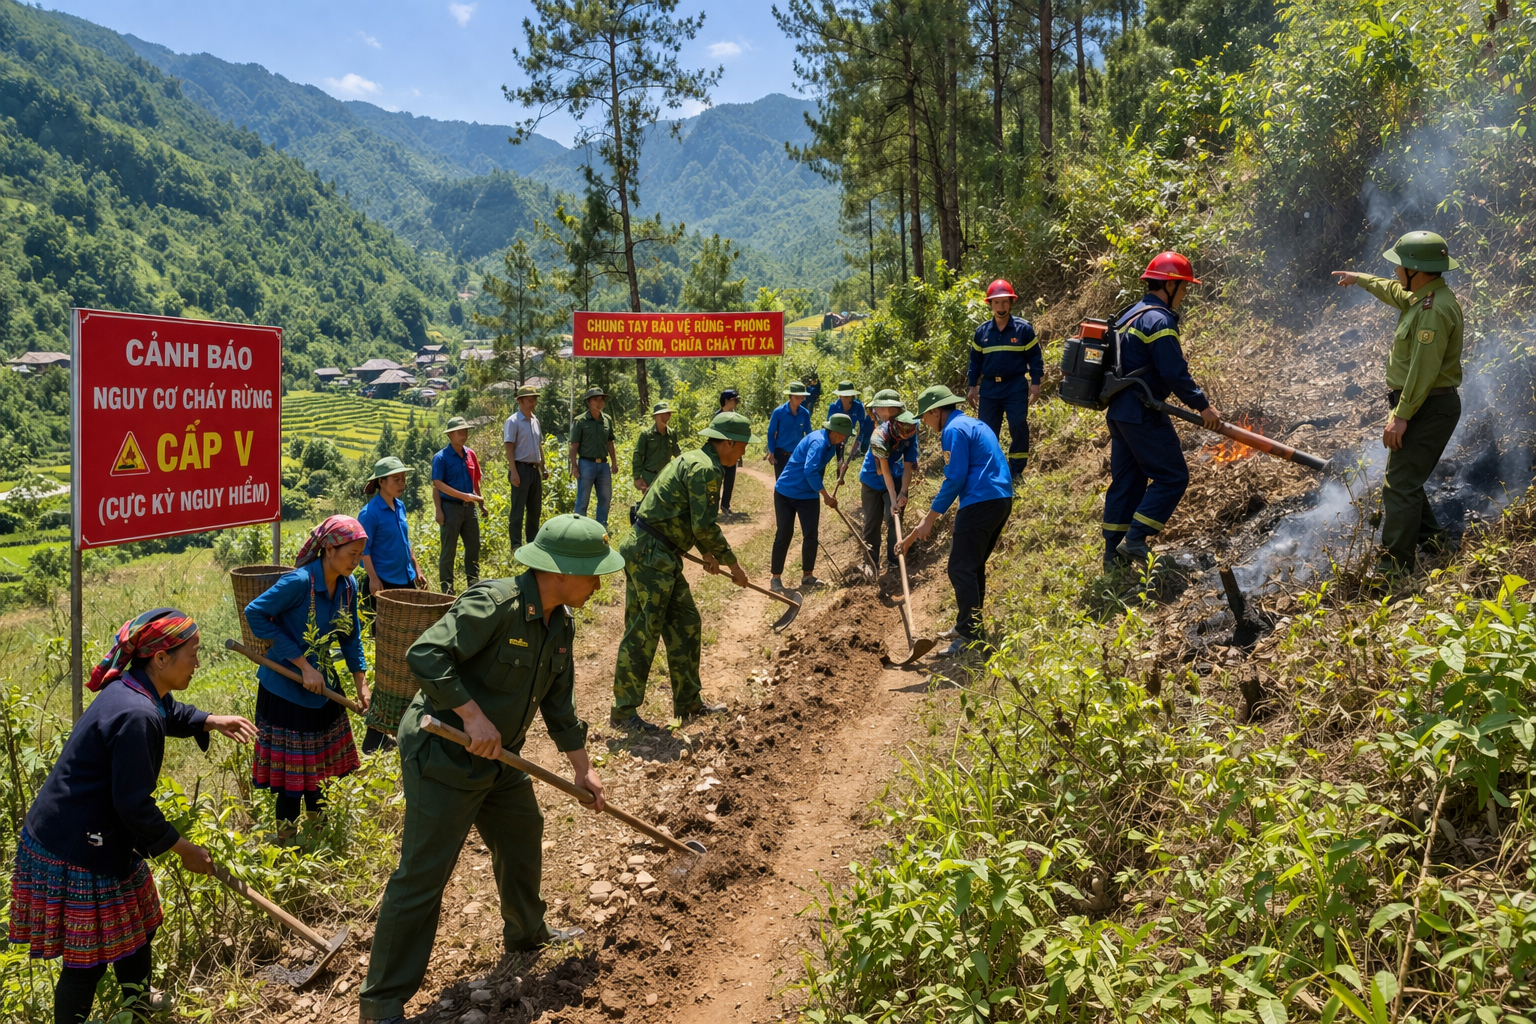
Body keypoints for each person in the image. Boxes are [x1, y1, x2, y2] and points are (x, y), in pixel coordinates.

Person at [358, 515, 620, 1024]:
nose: (598, 583)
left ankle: (526, 935)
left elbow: (560, 707)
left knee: (522, 833)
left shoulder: (560, 623)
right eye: (593, 573)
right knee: (422, 876)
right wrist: (472, 716)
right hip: (446, 751)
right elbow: (426, 653)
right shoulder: (495, 604)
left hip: (501, 757)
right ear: (563, 572)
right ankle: (382, 1003)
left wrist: (583, 769)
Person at [9, 609, 255, 1024]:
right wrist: (184, 849)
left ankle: (137, 1004)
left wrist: (210, 720)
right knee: (86, 960)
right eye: (192, 653)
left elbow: (169, 712)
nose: (198, 662)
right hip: (74, 844)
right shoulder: (136, 715)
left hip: (99, 832)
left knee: (139, 921)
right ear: (160, 658)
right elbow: (134, 806)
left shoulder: (134, 687)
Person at [612, 412, 755, 732]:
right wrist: (734, 564)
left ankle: (689, 701)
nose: (744, 452)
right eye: (743, 446)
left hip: (658, 552)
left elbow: (689, 515)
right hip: (651, 554)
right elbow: (704, 524)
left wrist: (705, 552)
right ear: (728, 442)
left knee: (686, 621)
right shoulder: (706, 469)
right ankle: (623, 711)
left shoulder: (696, 459)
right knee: (643, 631)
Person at [1333, 232, 1464, 576]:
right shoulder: (1421, 296)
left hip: (1428, 408)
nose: (1395, 271)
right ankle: (1436, 543)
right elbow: (1393, 292)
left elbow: (1423, 370)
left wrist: (1401, 416)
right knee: (1404, 480)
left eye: (1400, 265)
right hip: (1422, 404)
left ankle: (1394, 570)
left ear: (1416, 270)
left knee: (1400, 486)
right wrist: (1360, 279)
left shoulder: (1433, 310)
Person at [245, 516, 371, 838]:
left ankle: (319, 839)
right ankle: (286, 845)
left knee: (321, 772)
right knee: (292, 781)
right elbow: (255, 613)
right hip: (285, 688)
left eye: (360, 555)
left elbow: (351, 637)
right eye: (351, 554)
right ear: (329, 549)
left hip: (322, 686)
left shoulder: (347, 586)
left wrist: (362, 684)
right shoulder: (299, 582)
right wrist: (303, 665)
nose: (356, 563)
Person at [1101, 252, 1222, 567]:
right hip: (1142, 411)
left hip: (1119, 413)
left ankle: (1112, 558)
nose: (1185, 294)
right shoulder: (1159, 319)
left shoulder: (1130, 314)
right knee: (1173, 476)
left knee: (1127, 482)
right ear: (1170, 285)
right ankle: (1136, 539)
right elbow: (1173, 372)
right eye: (1184, 287)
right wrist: (1203, 406)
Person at [907, 386, 1014, 656]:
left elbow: (955, 477)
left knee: (959, 569)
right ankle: (969, 626)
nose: (925, 423)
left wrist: (930, 518)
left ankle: (969, 636)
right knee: (972, 566)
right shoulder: (974, 423)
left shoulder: (953, 430)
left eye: (926, 417)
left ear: (935, 411)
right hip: (1000, 498)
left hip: (980, 500)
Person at [358, 456, 426, 752]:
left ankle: (402, 724)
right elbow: (365, 550)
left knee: (410, 651)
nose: (401, 483)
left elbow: (405, 542)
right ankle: (376, 736)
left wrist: (417, 568)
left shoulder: (398, 507)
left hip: (405, 582)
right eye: (395, 479)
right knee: (391, 656)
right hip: (384, 588)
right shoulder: (370, 513)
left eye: (402, 478)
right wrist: (373, 579)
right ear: (381, 483)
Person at [968, 279, 1043, 481]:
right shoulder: (981, 333)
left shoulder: (1023, 329)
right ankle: (991, 469)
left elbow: (1035, 358)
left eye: (1005, 302)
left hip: (1015, 386)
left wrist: (1035, 383)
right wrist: (972, 386)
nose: (1001, 307)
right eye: (996, 303)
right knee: (986, 431)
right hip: (990, 387)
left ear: (1011, 303)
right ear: (990, 305)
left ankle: (1016, 470)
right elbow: (974, 362)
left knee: (1018, 424)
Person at [771, 412, 854, 592]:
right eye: (845, 435)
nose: (845, 438)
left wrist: (839, 474)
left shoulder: (831, 445)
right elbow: (809, 471)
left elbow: (819, 467)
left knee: (811, 535)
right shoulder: (818, 442)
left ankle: (807, 576)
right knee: (784, 533)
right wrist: (825, 495)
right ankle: (775, 578)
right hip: (786, 491)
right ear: (837, 432)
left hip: (807, 495)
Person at [860, 402, 920, 581]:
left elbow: (908, 465)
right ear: (895, 428)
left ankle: (895, 561)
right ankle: (871, 563)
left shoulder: (911, 428)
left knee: (894, 518)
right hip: (872, 479)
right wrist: (893, 498)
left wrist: (903, 492)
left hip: (896, 476)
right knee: (872, 522)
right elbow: (884, 470)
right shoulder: (879, 437)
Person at [432, 416, 484, 594]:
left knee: (473, 545)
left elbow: (475, 480)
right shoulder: (441, 458)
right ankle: (447, 587)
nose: (464, 435)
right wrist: (438, 510)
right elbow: (437, 484)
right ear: (450, 435)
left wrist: (480, 502)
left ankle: (473, 583)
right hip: (450, 508)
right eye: (459, 432)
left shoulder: (470, 454)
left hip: (470, 508)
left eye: (465, 431)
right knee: (449, 550)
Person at [503, 385, 547, 548]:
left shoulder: (535, 421)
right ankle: (515, 544)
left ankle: (532, 543)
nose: (533, 403)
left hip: (534, 469)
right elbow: (509, 446)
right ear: (520, 401)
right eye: (529, 400)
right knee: (518, 510)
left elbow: (539, 445)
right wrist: (513, 471)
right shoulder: (513, 421)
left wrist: (544, 466)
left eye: (534, 399)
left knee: (535, 509)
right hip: (520, 468)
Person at [569, 386, 618, 525]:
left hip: (603, 464)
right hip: (586, 464)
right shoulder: (580, 421)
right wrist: (574, 466)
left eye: (601, 399)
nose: (600, 402)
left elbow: (610, 442)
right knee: (583, 499)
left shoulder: (607, 420)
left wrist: (614, 462)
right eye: (596, 399)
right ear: (589, 402)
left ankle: (601, 526)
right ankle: (579, 528)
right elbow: (574, 445)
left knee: (605, 498)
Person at [766, 381, 812, 479]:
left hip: (798, 454)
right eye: (797, 397)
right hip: (781, 454)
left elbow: (809, 434)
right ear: (790, 396)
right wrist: (771, 451)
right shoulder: (778, 412)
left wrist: (809, 452)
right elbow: (770, 433)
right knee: (781, 484)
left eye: (802, 397)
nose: (799, 400)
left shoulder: (805, 414)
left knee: (796, 484)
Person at [632, 401, 681, 492]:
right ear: (655, 417)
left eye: (668, 414)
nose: (666, 417)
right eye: (662, 415)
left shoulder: (671, 434)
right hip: (649, 477)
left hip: (666, 476)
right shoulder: (646, 435)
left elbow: (678, 454)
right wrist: (637, 477)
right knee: (650, 504)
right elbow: (638, 455)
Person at [826, 379, 874, 464]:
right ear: (839, 396)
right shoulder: (833, 407)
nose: (847, 399)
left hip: (853, 436)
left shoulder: (859, 407)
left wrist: (856, 444)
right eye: (844, 396)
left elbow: (861, 428)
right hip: (837, 437)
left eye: (849, 396)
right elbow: (828, 428)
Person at [716, 387, 741, 515]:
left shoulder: (736, 417)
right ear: (726, 401)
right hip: (719, 455)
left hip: (732, 455)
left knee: (729, 481)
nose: (735, 403)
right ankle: (713, 507)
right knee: (716, 482)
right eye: (734, 400)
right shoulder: (717, 417)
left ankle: (725, 506)